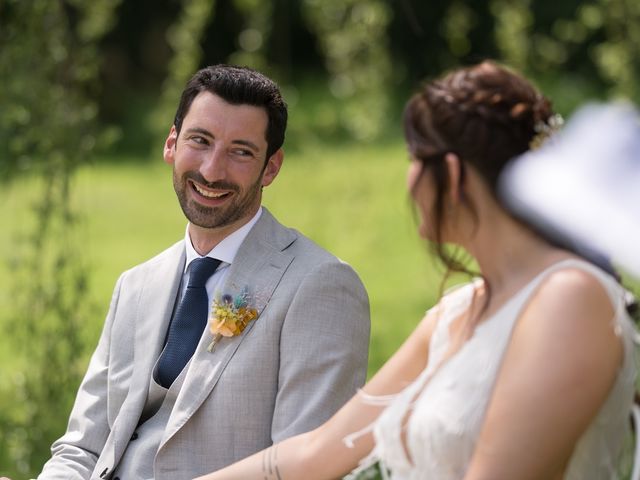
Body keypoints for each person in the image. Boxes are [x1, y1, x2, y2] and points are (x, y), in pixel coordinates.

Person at [195, 61, 638, 480]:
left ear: (450, 171)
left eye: (412, 158)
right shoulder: (459, 311)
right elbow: (317, 453)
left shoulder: (569, 299)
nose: (407, 180)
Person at [30, 65, 371, 479]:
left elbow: (305, 467)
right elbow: (82, 449)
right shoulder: (136, 285)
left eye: (241, 151)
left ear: (271, 167)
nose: (211, 171)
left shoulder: (320, 285)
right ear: (171, 144)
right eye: (200, 141)